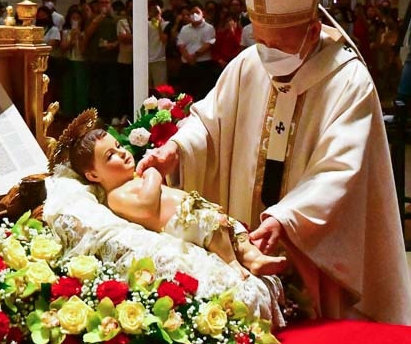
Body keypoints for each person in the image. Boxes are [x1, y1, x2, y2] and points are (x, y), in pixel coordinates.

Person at [138, 0, 411, 324]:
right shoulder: (251, 64)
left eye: (279, 44)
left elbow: (342, 170)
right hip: (246, 230)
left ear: (313, 30)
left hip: (313, 252)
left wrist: (287, 219)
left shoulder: (347, 80)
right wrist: (176, 149)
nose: (267, 54)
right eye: (261, 40)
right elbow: (211, 122)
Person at [57, 110, 287, 277]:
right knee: (216, 226)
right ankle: (233, 266)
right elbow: (147, 205)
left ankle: (254, 258)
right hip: (183, 222)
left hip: (193, 210)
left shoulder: (134, 178)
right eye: (110, 156)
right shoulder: (117, 195)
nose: (122, 153)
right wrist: (155, 174)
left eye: (118, 146)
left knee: (233, 228)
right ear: (93, 176)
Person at [176, 2, 217, 101]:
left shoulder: (209, 28)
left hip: (203, 64)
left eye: (197, 12)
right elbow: (181, 44)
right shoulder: (185, 29)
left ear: (202, 13)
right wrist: (188, 57)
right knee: (187, 94)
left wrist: (195, 55)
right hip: (187, 64)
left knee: (203, 93)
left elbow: (209, 43)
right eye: (192, 12)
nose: (194, 15)